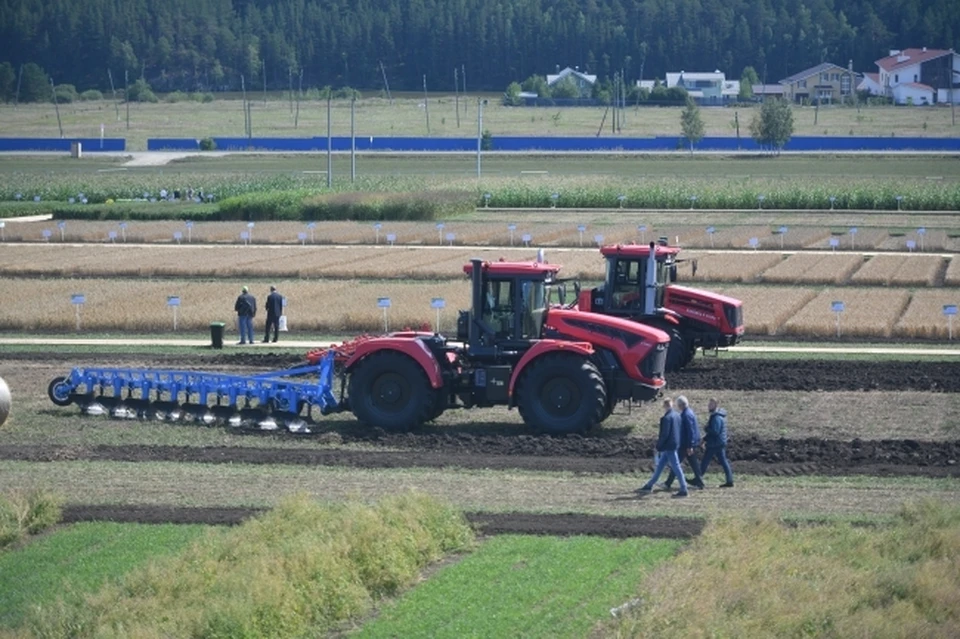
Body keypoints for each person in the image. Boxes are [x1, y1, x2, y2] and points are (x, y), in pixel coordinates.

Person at [638, 398, 688, 498]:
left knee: (676, 466)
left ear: (664, 406)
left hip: (668, 446)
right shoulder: (677, 415)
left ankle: (684, 488)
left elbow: (664, 434)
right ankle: (649, 485)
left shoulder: (666, 418)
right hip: (675, 444)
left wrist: (658, 446)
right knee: (660, 466)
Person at [665, 395, 706, 490]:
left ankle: (668, 483)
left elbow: (690, 431)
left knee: (676, 463)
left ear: (680, 405)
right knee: (693, 464)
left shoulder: (686, 415)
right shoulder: (690, 412)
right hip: (690, 443)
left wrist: (689, 446)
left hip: (686, 444)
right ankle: (700, 482)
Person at [700, 397, 734, 488]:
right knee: (723, 461)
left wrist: (706, 429)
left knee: (705, 461)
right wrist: (704, 439)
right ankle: (729, 480)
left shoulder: (716, 417)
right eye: (709, 404)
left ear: (716, 405)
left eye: (711, 404)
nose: (709, 406)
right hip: (719, 442)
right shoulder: (718, 416)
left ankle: (698, 479)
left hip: (715, 443)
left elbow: (715, 432)